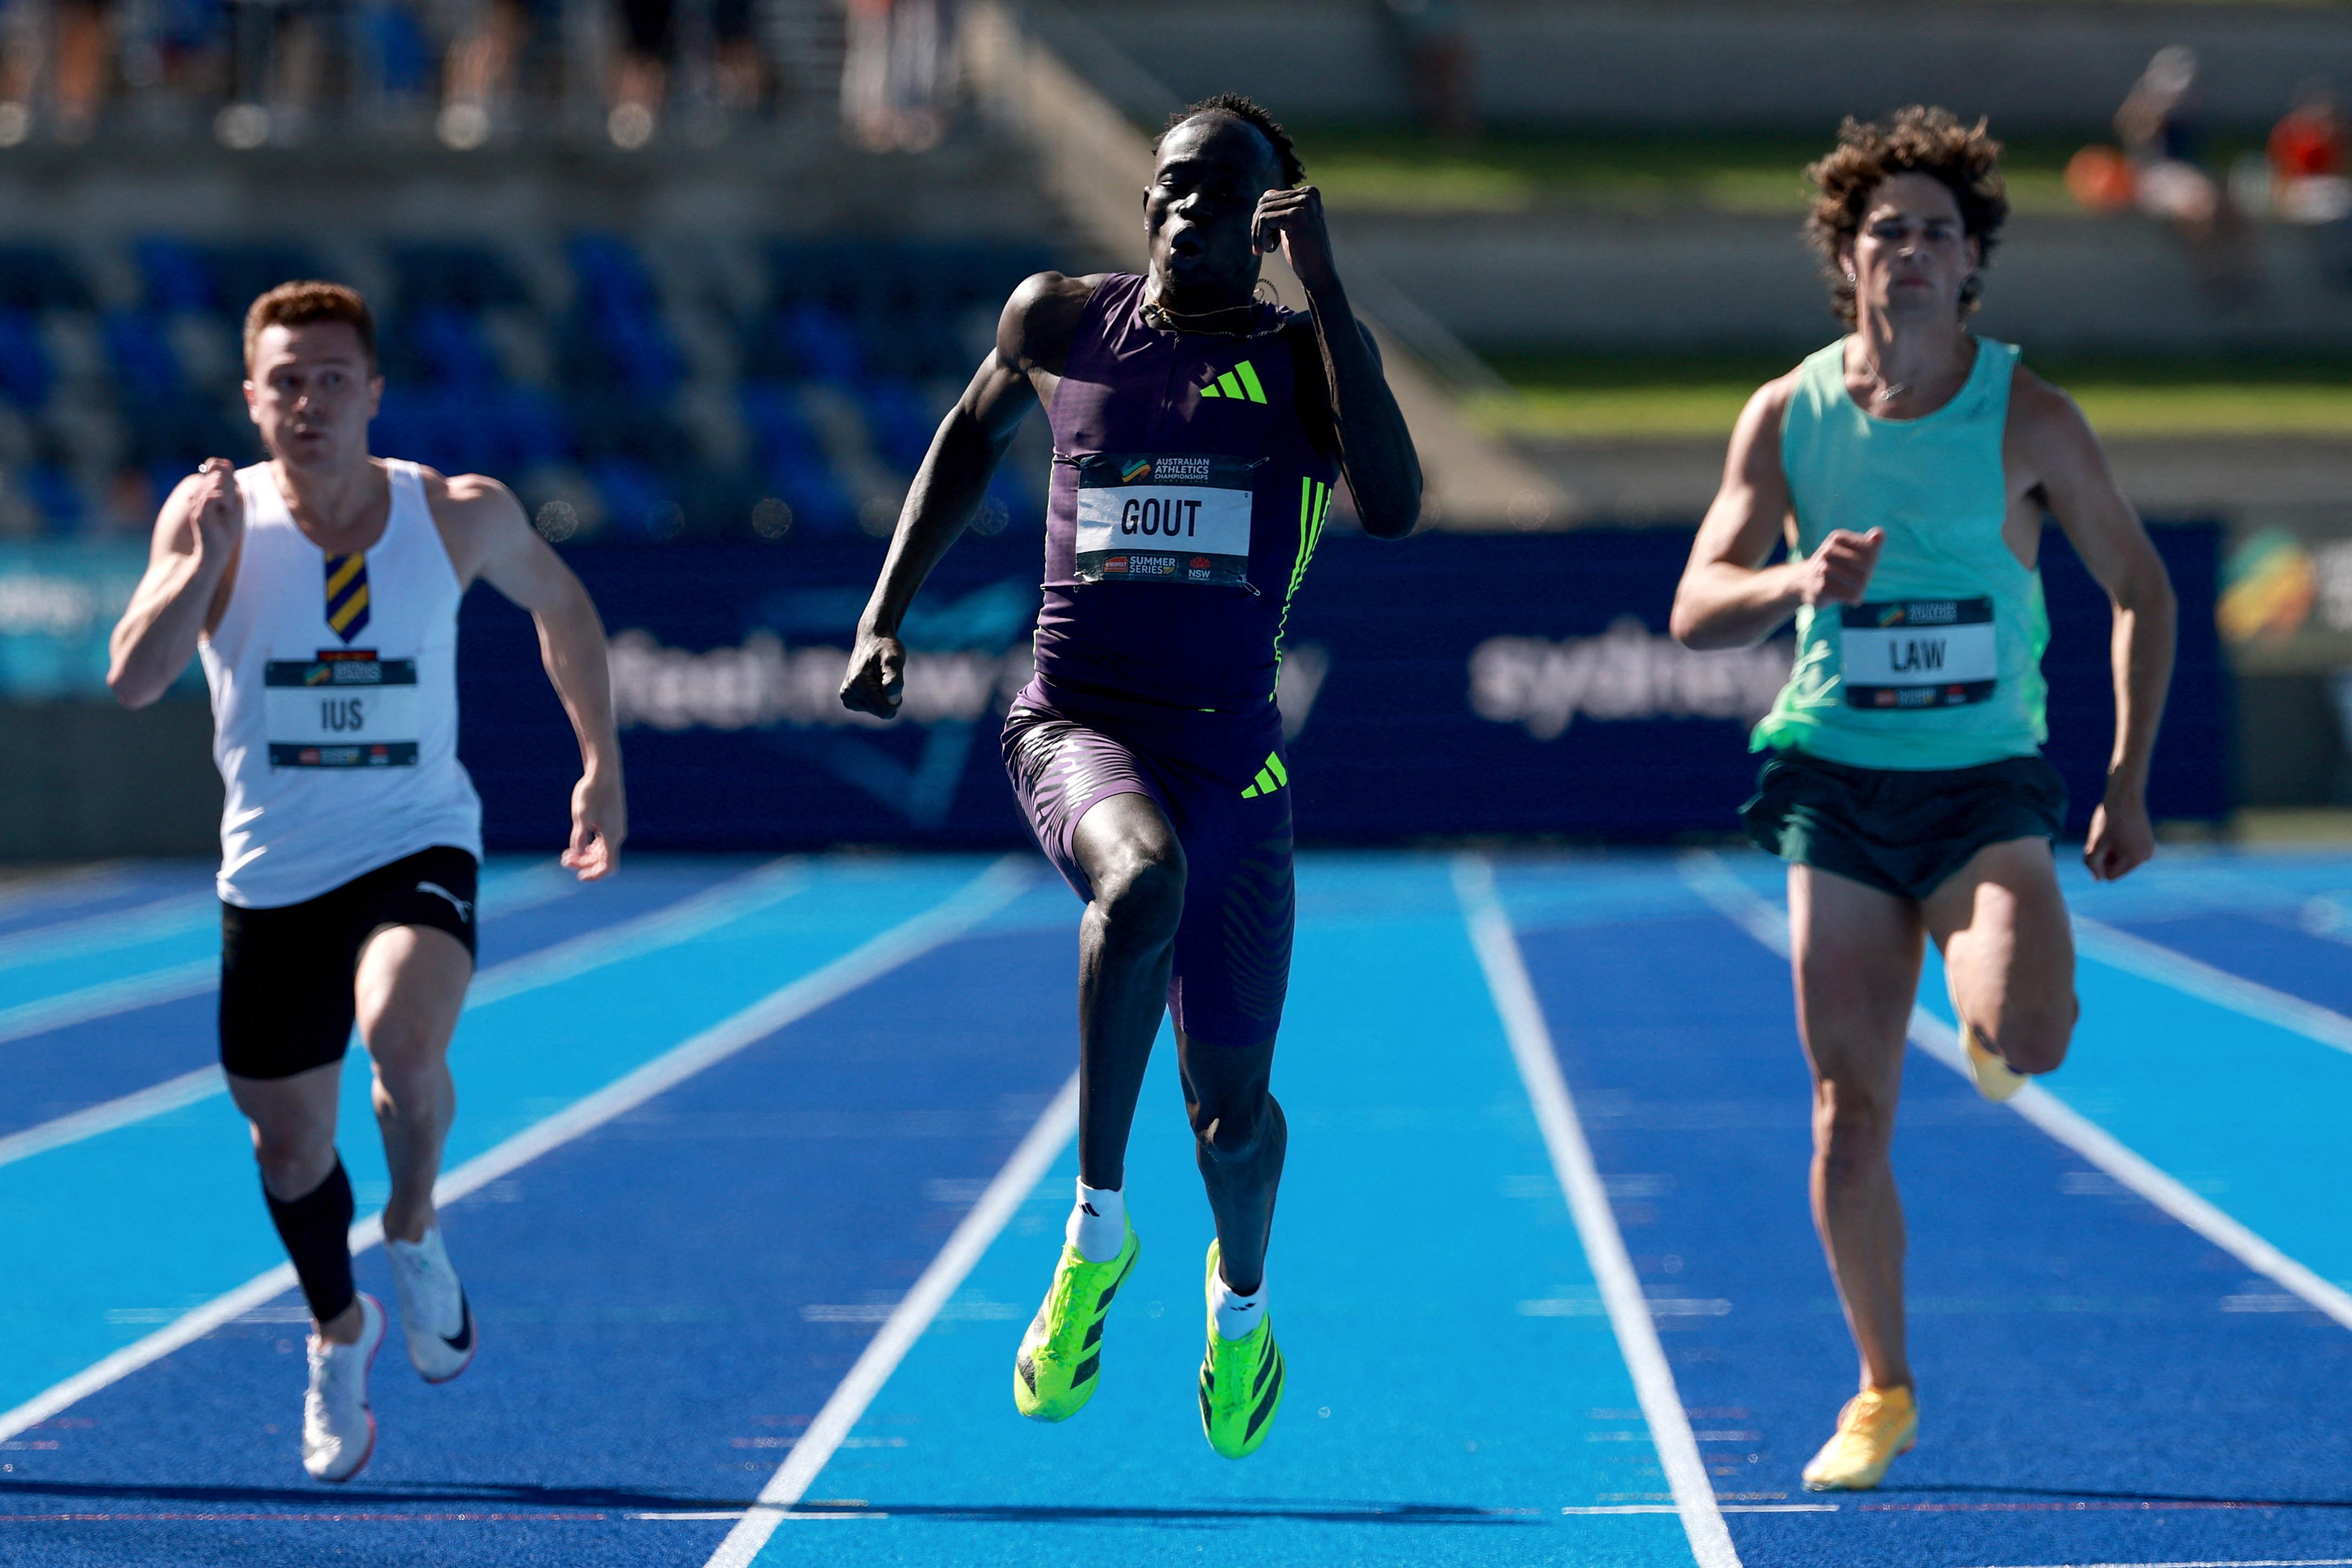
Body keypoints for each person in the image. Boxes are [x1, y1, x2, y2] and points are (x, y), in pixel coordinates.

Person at [839, 94, 1418, 1458]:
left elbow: (1390, 503)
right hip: (1075, 723)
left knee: (1233, 1124)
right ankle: (1094, 1228)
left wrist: (1330, 295)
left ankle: (1240, 1307)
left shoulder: (1299, 358)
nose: (1181, 212)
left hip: (1234, 768)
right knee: (1135, 877)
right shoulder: (1059, 321)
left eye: (1221, 196)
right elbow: (967, 442)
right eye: (1168, 186)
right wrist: (884, 614)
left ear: (1274, 224)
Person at [1668, 108, 2175, 1493]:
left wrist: (2125, 775)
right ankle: (1881, 1387)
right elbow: (1695, 605)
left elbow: (2141, 587)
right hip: (1835, 782)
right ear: (1846, 260)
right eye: (1881, 228)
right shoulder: (1787, 413)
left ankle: (1992, 1005)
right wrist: (1789, 583)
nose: (1906, 248)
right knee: (1848, 1108)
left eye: (1934, 231)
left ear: (1970, 271)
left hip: (1982, 787)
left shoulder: (2027, 413)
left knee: (2032, 1033)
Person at [106, 281, 626, 1483]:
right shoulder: (212, 514)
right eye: (284, 381)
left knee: (400, 1039)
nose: (308, 401)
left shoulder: (451, 512)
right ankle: (340, 1328)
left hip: (414, 841)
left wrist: (599, 762)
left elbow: (566, 607)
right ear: (251, 397)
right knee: (287, 1150)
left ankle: (412, 1219)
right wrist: (202, 566)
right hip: (273, 875)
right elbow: (133, 677)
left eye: (332, 378)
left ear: (372, 394)